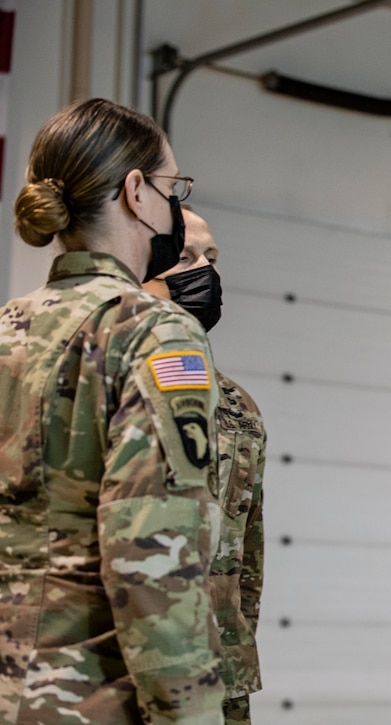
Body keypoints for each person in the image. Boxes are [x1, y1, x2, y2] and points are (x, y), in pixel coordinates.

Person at [0, 98, 225, 722]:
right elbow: (152, 559)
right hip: (83, 698)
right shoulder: (154, 333)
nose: (175, 205)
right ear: (136, 191)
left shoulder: (6, 329)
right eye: (172, 187)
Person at [144, 206, 266, 724]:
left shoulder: (236, 404)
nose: (206, 273)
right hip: (123, 679)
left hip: (219, 684)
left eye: (212, 258)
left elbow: (248, 559)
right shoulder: (98, 375)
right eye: (187, 257)